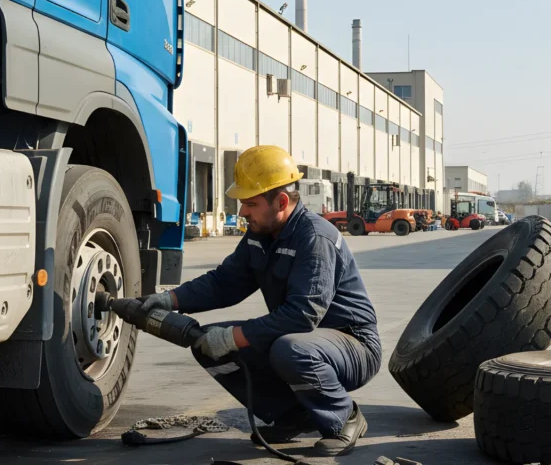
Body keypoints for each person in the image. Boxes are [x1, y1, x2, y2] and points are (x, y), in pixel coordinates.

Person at [138, 145, 381, 456]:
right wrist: (168, 299)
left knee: (287, 348)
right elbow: (224, 282)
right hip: (304, 340)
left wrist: (233, 337)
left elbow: (301, 316)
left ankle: (344, 416)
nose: (242, 212)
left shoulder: (314, 239)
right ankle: (292, 414)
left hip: (353, 345)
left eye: (250, 203)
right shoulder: (260, 235)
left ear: (280, 201)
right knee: (204, 342)